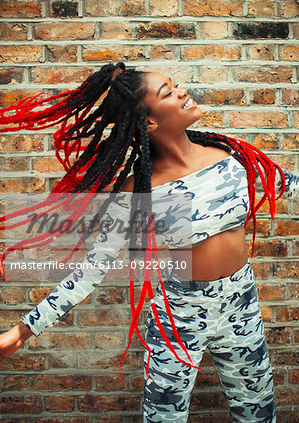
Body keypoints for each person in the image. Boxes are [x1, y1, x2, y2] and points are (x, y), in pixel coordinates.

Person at [0, 62, 298, 422]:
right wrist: (22, 330)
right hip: (179, 316)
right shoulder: (139, 191)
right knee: (163, 418)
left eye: (176, 85)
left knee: (258, 414)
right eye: (168, 92)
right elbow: (92, 270)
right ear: (150, 122)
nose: (182, 91)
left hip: (242, 306)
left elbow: (290, 185)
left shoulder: (232, 159)